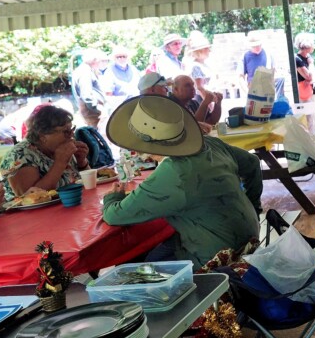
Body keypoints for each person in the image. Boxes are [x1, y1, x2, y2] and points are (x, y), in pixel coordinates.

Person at [102, 95, 261, 268]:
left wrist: (113, 198)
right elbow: (253, 163)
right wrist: (253, 204)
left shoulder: (174, 172)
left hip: (217, 257)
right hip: (249, 235)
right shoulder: (209, 143)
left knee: (140, 267)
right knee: (160, 247)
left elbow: (114, 215)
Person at [0, 105, 90, 202]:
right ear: (43, 136)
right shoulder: (19, 155)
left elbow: (87, 183)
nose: (71, 135)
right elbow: (31, 199)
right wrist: (60, 163)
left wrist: (81, 162)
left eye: (72, 129)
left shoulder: (60, 147)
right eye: (66, 131)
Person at [71, 48, 107, 128]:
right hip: (91, 112)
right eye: (100, 60)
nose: (101, 63)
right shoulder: (85, 71)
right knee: (98, 133)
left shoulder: (84, 70)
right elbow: (87, 95)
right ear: (94, 60)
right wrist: (97, 109)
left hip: (91, 111)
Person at [294, 32, 315, 135]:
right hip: (304, 95)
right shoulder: (298, 59)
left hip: (309, 92)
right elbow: (309, 76)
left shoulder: (307, 57)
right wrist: (311, 64)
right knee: (307, 120)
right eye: (312, 43)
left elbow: (312, 76)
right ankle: (309, 141)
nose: (314, 46)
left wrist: (310, 79)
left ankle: (312, 139)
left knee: (312, 119)